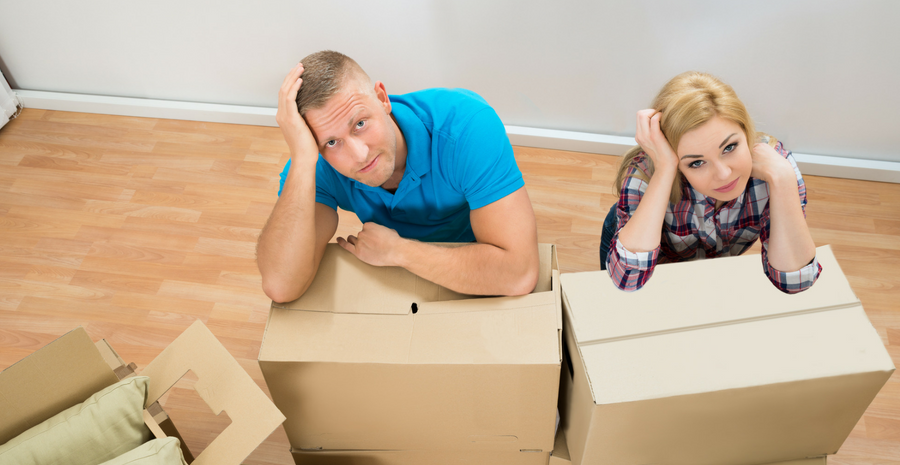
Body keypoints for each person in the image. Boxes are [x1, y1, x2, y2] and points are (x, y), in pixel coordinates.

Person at [257, 51, 539, 303]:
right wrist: (305, 160)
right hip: (395, 281)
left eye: (360, 124)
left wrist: (399, 252)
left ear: (382, 99)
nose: (359, 154)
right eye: (331, 142)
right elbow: (281, 285)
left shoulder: (468, 128)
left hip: (473, 254)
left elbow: (519, 273)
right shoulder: (317, 162)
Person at [600, 71, 821, 293]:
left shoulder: (777, 168)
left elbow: (796, 283)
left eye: (730, 147)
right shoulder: (646, 174)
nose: (724, 174)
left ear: (746, 131)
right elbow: (626, 280)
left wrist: (783, 179)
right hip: (643, 252)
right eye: (696, 163)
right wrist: (665, 169)